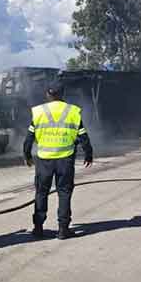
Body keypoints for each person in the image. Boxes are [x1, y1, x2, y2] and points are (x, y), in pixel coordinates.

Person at [23, 82, 93, 240]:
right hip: (65, 160)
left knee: (41, 193)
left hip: (44, 161)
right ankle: (63, 229)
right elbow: (83, 136)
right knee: (64, 193)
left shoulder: (39, 111)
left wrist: (27, 155)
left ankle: (39, 228)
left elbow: (29, 138)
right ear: (63, 94)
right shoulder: (72, 111)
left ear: (48, 95)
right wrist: (88, 154)